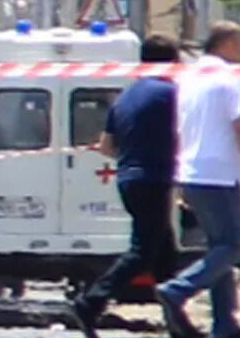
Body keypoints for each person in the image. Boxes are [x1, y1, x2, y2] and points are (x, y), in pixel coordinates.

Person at [71, 34, 187, 338]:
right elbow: (186, 133)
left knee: (164, 254)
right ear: (172, 62)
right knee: (143, 252)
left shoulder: (126, 96)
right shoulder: (170, 94)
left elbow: (106, 146)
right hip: (153, 179)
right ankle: (91, 302)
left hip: (128, 179)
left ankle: (178, 323)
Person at [156, 23, 240, 338]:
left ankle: (225, 324)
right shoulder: (228, 79)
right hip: (218, 174)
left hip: (191, 172)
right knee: (233, 246)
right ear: (228, 43)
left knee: (219, 248)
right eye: (239, 44)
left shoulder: (189, 79)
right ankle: (177, 290)